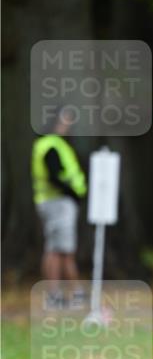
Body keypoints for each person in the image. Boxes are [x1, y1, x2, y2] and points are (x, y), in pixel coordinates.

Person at [31, 107, 87, 307]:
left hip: (50, 202)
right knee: (62, 250)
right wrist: (72, 193)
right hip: (58, 203)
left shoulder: (46, 144)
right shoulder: (52, 146)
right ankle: (65, 293)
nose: (67, 125)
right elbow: (54, 176)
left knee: (54, 248)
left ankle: (57, 294)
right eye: (65, 120)